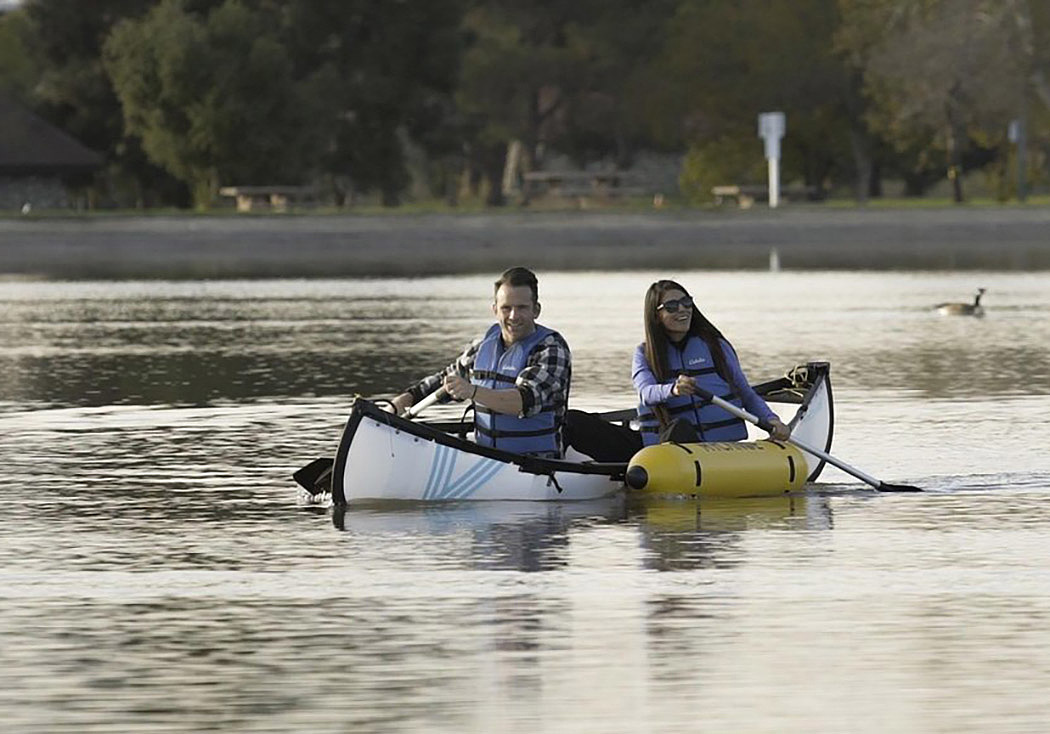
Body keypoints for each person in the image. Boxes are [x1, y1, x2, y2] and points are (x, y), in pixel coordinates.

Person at [390, 267, 571, 458]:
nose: (513, 316)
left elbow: (524, 402)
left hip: (538, 462)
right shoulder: (482, 347)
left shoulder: (552, 349)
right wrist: (401, 402)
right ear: (495, 310)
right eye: (506, 308)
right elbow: (445, 380)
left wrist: (472, 391)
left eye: (522, 308)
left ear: (536, 310)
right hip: (486, 458)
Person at [633, 279, 790, 445]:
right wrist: (673, 390)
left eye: (686, 302)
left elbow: (746, 393)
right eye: (672, 306)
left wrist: (772, 420)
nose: (682, 309)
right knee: (677, 427)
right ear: (656, 316)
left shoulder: (716, 346)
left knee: (680, 427)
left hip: (723, 447)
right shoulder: (643, 354)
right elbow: (646, 393)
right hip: (675, 450)